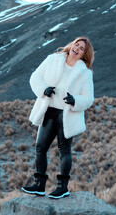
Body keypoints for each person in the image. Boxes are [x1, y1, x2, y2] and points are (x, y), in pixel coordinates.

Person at [22, 37, 94, 199]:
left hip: (67, 114)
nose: (77, 48)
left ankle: (62, 188)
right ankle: (39, 185)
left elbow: (89, 98)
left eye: (81, 48)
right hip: (49, 110)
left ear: (84, 54)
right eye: (76, 44)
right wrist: (43, 89)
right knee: (40, 147)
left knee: (64, 150)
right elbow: (35, 77)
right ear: (71, 45)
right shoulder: (53, 59)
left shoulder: (85, 73)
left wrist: (75, 100)